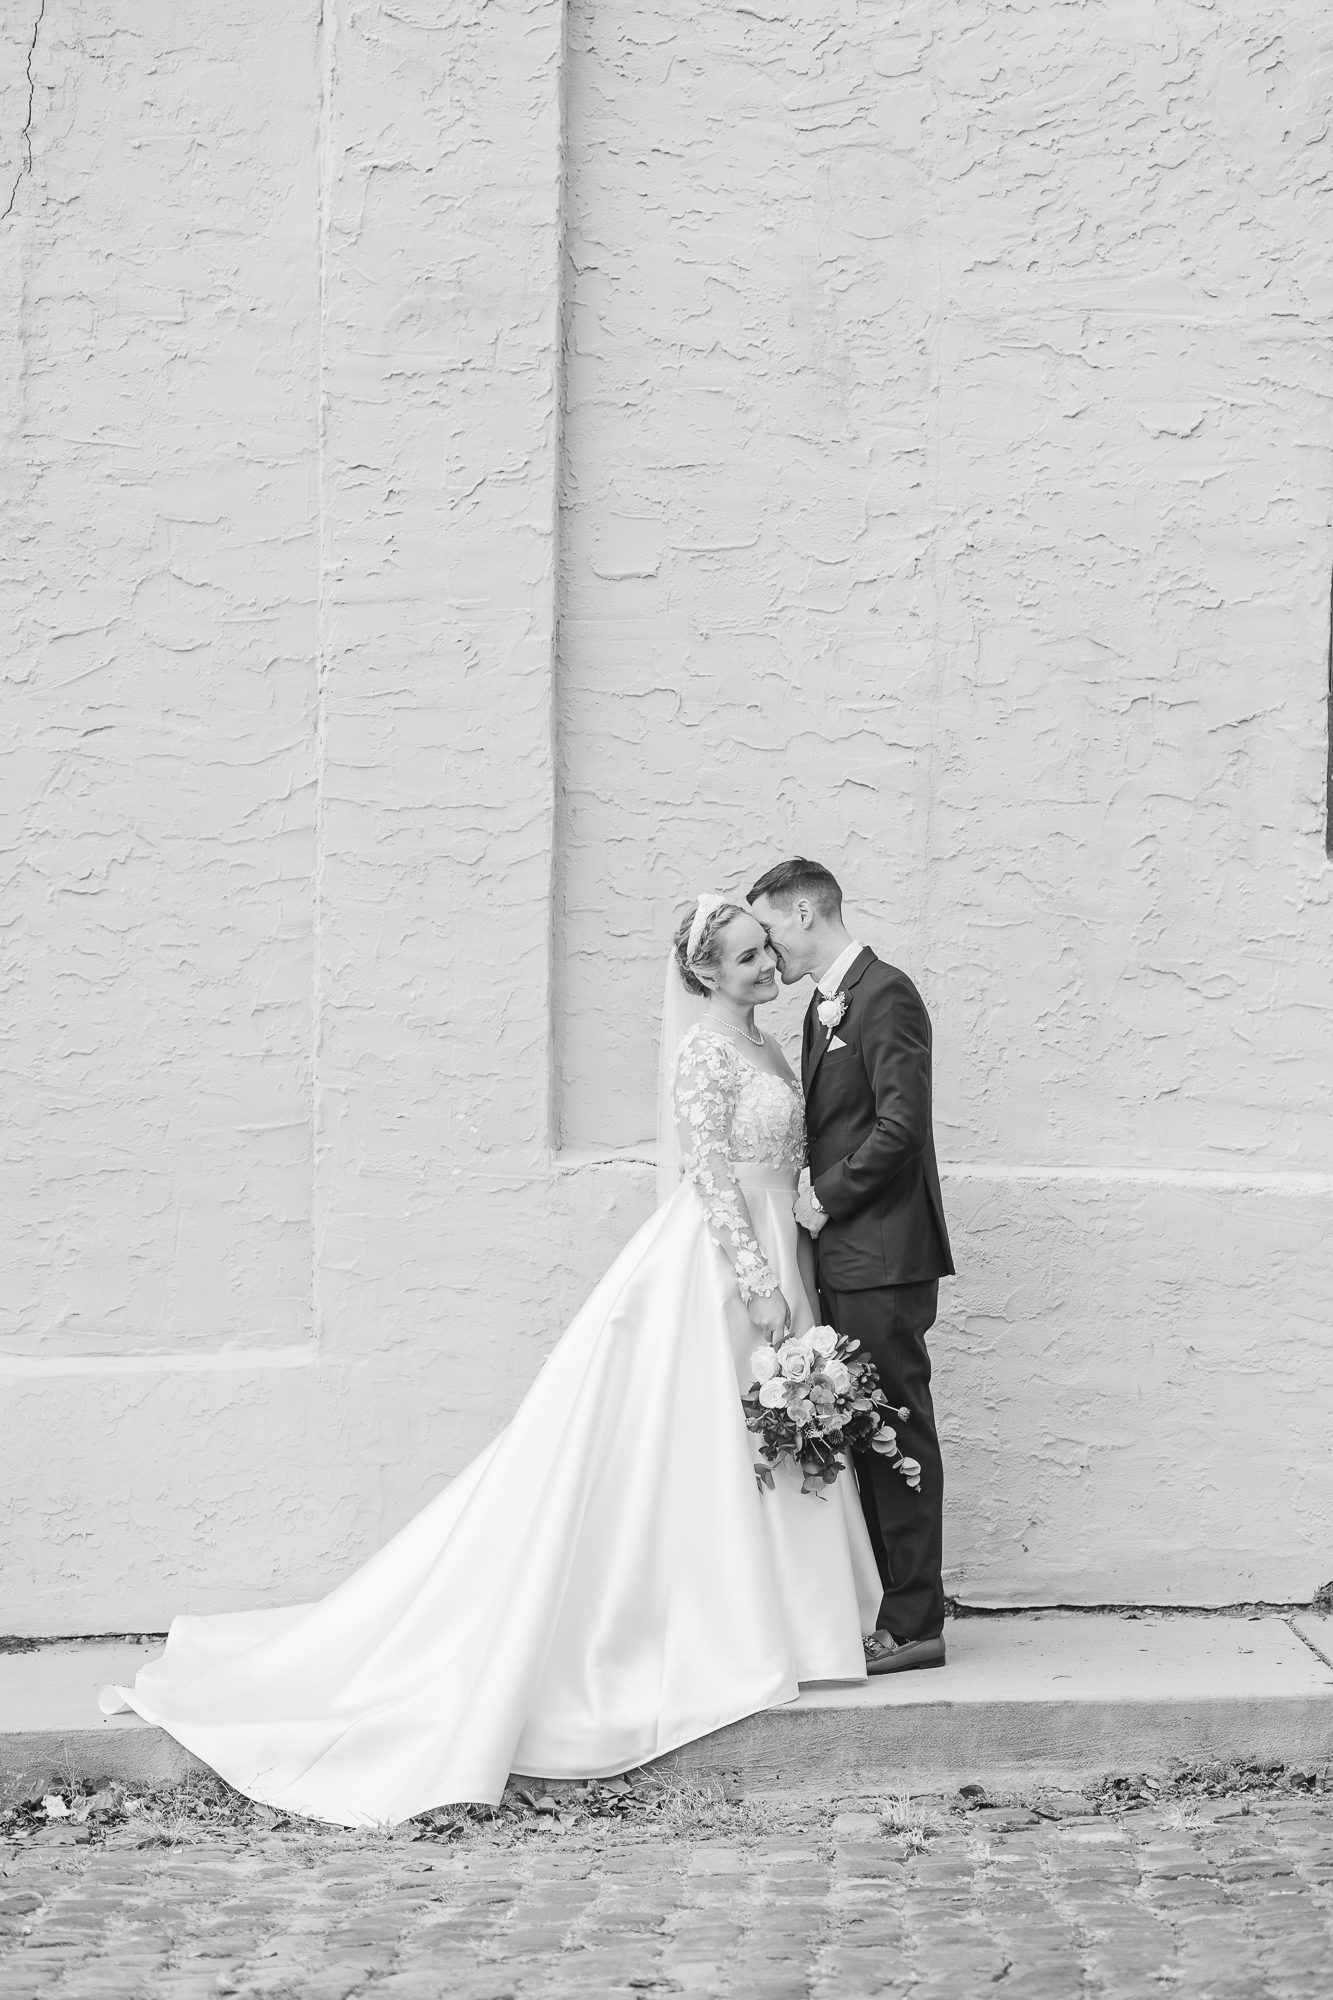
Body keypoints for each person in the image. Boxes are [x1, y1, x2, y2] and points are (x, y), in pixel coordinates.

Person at [101, 896, 880, 1827]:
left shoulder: (769, 1042)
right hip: (719, 1263)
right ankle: (716, 1628)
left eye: (765, 952)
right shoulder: (704, 1052)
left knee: (765, 1428)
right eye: (745, 957)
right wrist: (755, 1279)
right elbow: (707, 1174)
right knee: (698, 1438)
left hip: (775, 1244)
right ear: (704, 974)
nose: (763, 966)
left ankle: (797, 1622)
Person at [748, 860, 954, 1674]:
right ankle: (884, 1602)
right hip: (845, 1255)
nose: (768, 952)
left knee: (896, 1426)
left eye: (770, 930)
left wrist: (824, 1198)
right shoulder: (820, 1005)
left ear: (804, 911)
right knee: (864, 1430)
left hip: (884, 1255)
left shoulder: (885, 993)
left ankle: (913, 1625)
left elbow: (902, 1125)